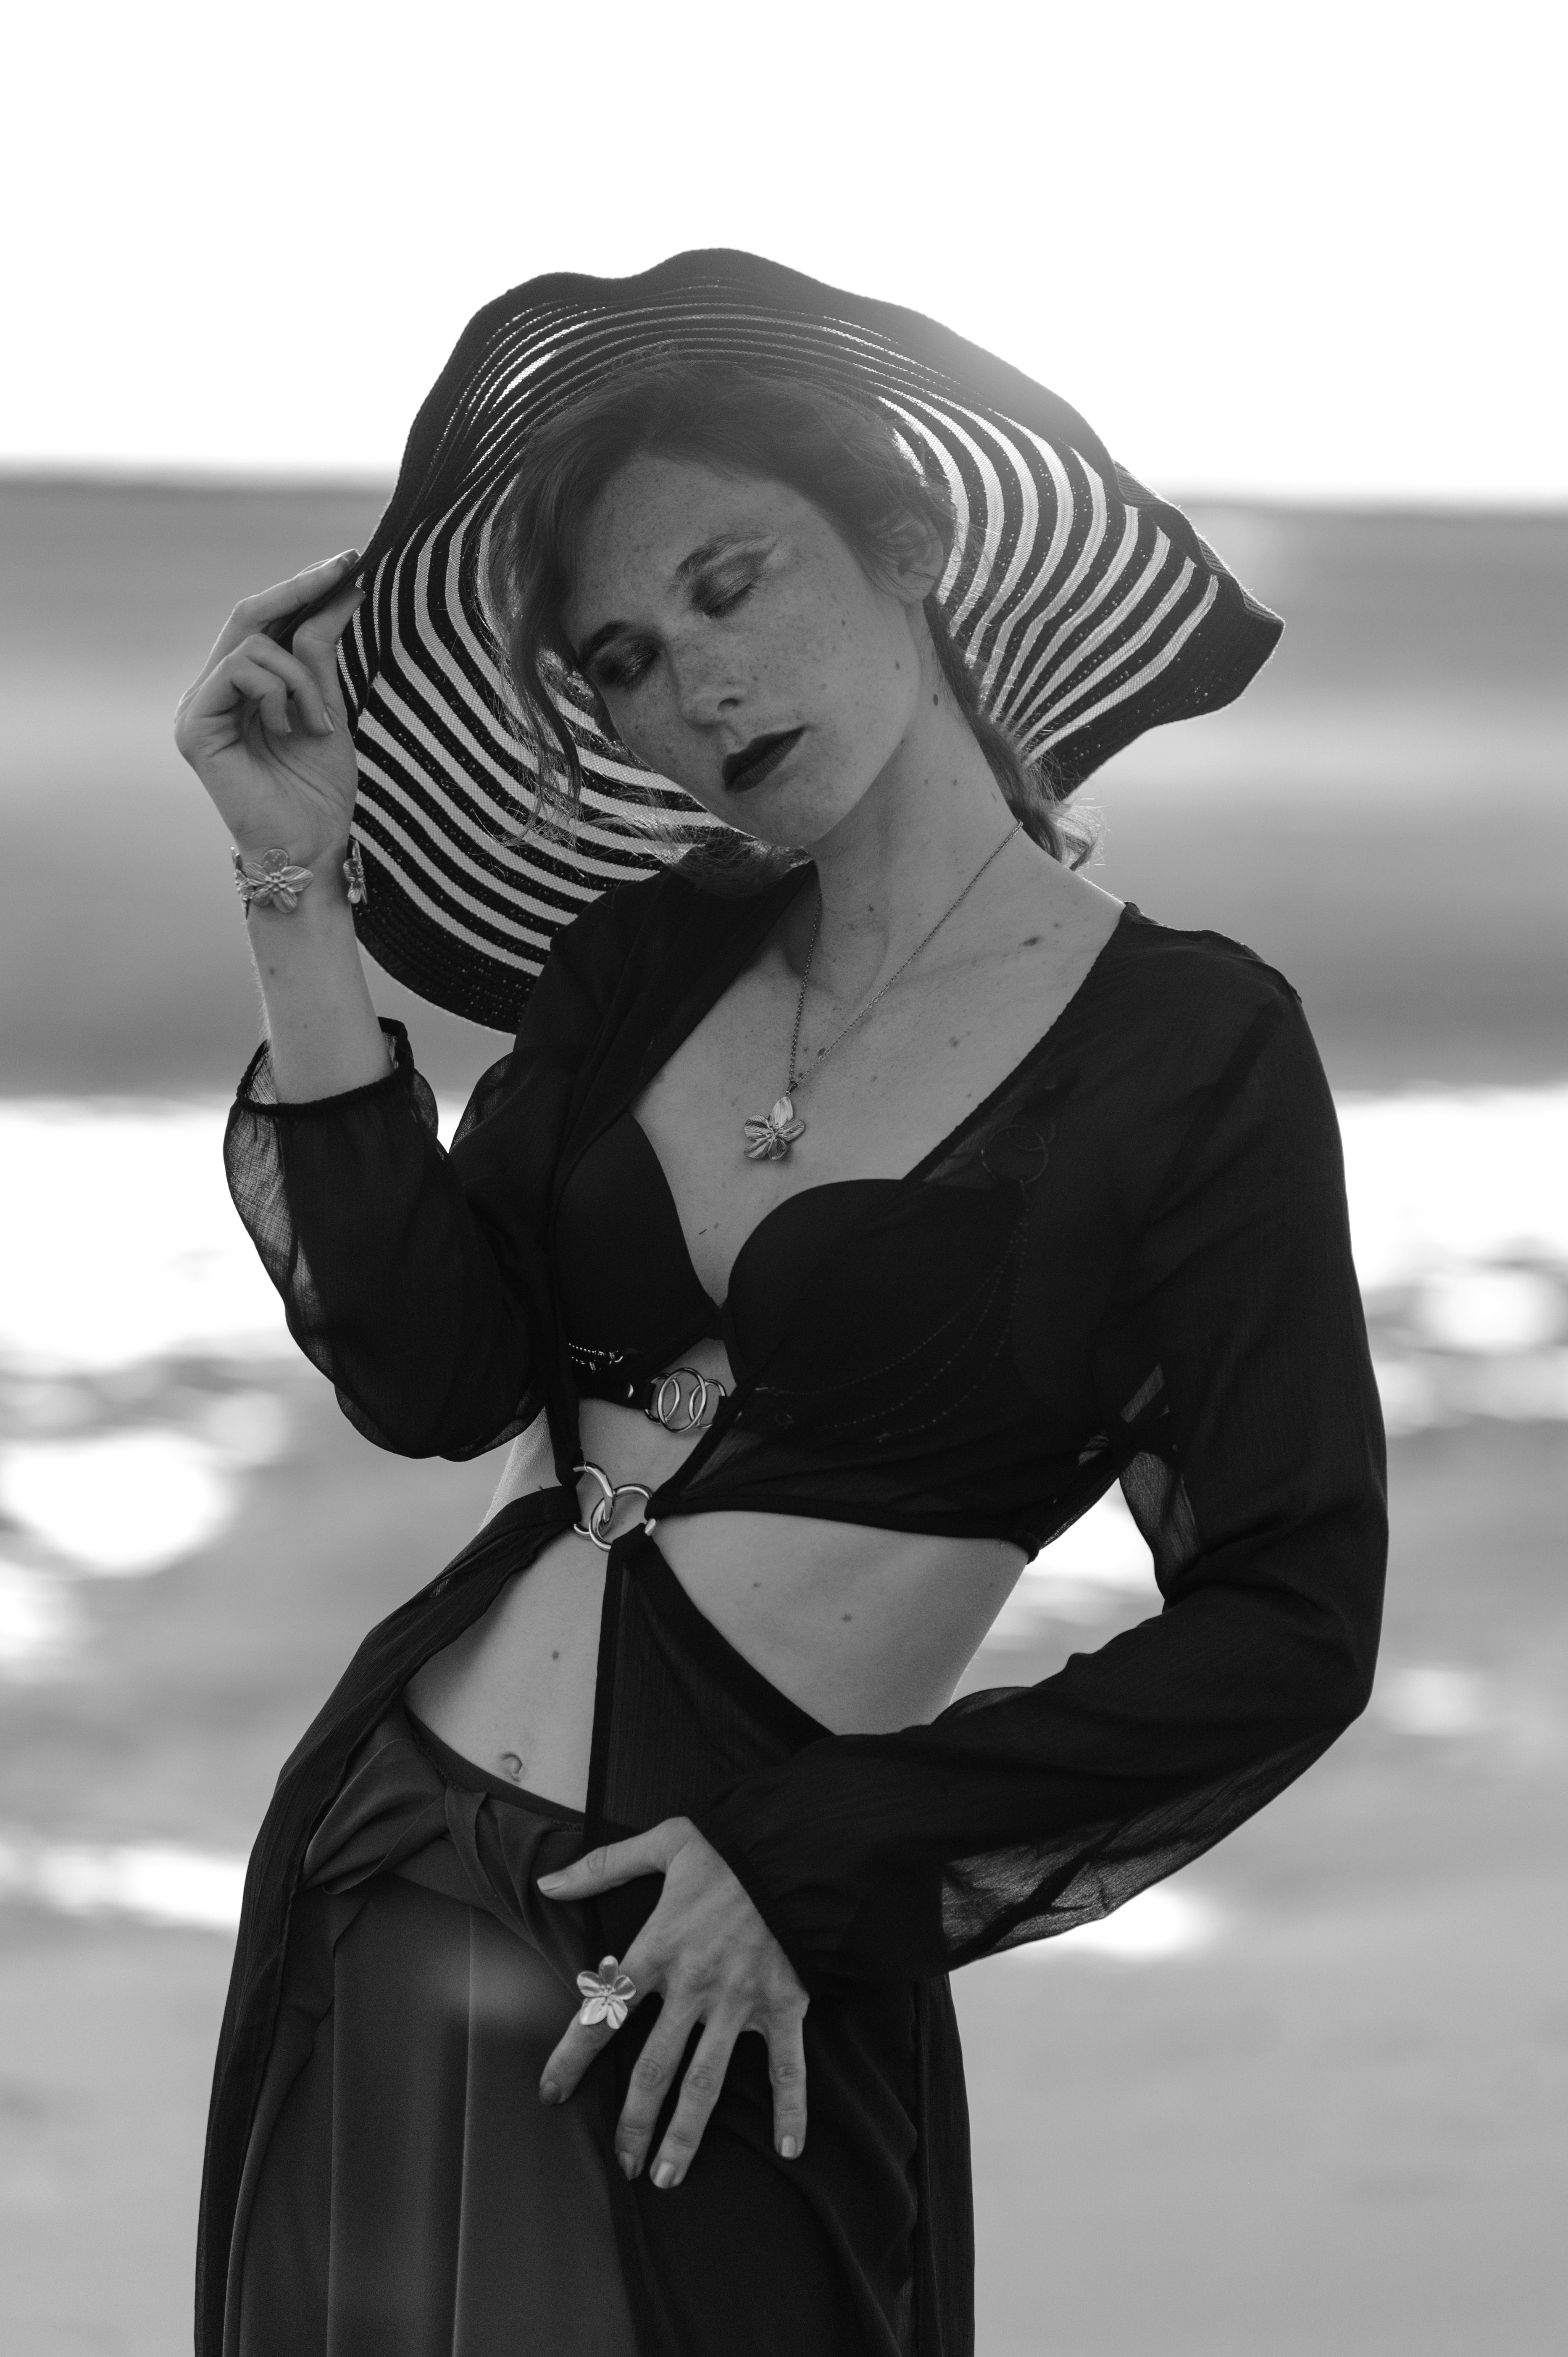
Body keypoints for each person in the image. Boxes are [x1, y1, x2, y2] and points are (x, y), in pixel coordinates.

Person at [175, 253, 1386, 2357]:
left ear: (905, 542)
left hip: (720, 1961)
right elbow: (431, 1372)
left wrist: (820, 1856)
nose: (701, 691)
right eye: (627, 662)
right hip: (391, 1857)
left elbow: (1290, 1613)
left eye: (733, 586)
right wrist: (297, 885)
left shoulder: (1193, 1052)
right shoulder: (643, 960)